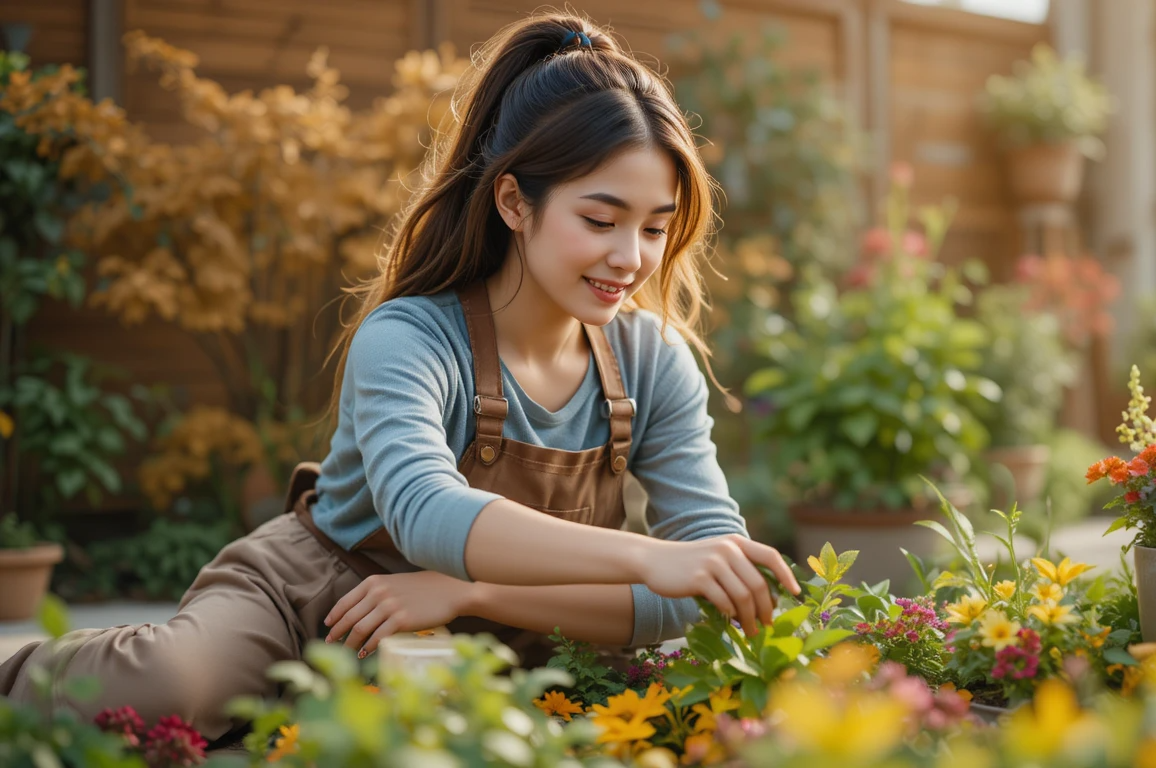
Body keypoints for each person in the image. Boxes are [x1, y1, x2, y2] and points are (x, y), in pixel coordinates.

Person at [0, 12, 799, 742]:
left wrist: (473, 595)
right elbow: (425, 512)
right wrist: (647, 557)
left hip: (496, 643)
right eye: (600, 219)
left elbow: (705, 581)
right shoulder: (411, 336)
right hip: (314, 603)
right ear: (514, 202)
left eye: (656, 228)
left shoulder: (653, 362)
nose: (631, 258)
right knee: (168, 690)